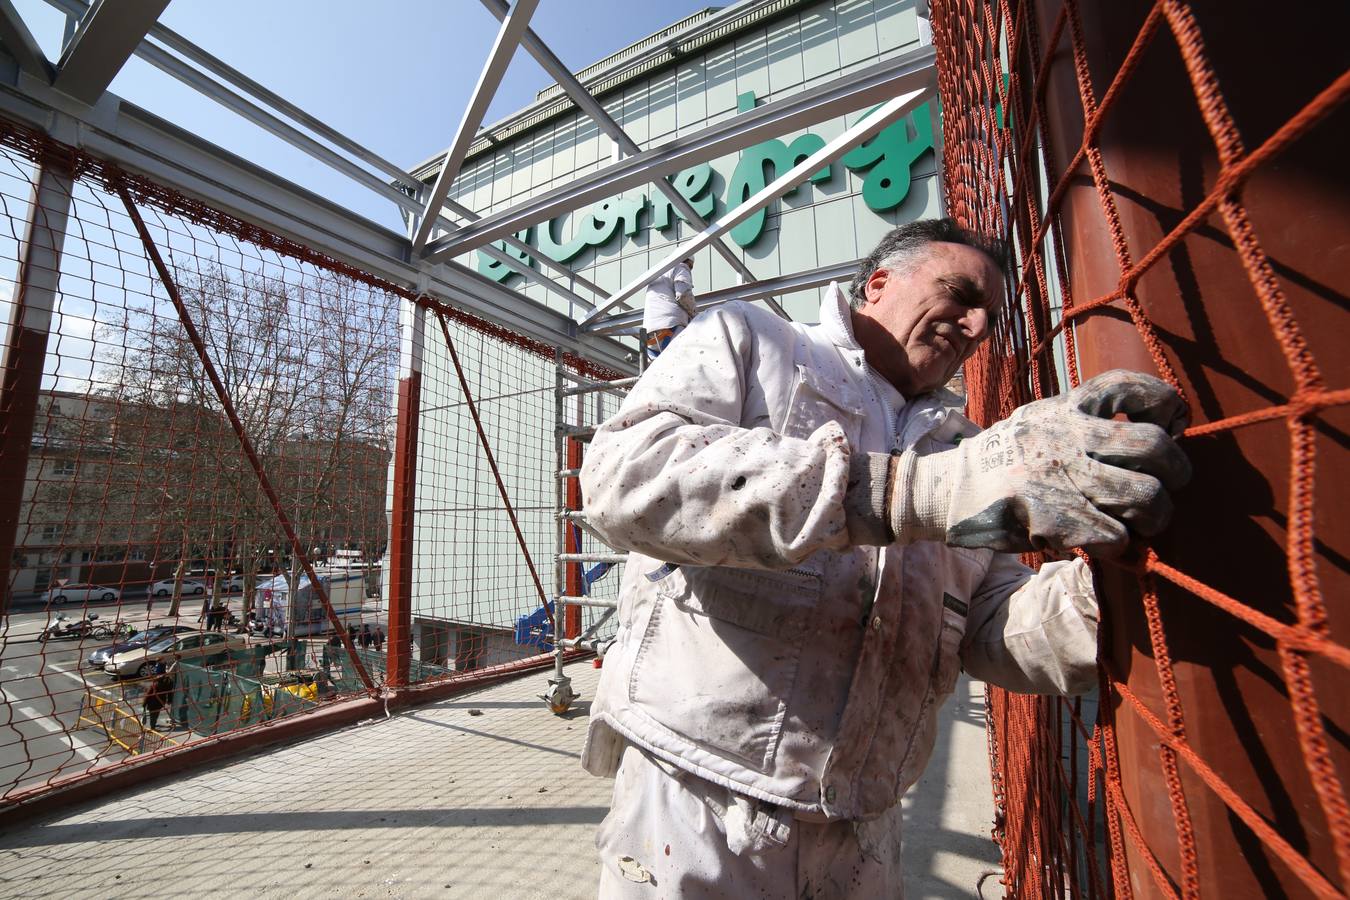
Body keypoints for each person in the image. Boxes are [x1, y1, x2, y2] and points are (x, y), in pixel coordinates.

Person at [578, 219, 1191, 896]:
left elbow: (989, 626)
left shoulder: (968, 448)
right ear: (878, 283)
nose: (977, 326)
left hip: (864, 823)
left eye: (988, 317)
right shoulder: (755, 343)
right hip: (699, 798)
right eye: (959, 293)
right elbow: (621, 479)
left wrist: (1101, 602)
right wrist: (917, 490)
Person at [640, 256, 696, 361]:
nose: (690, 269)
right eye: (691, 266)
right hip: (671, 325)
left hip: (650, 335)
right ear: (687, 261)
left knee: (659, 373)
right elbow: (683, 294)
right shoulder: (681, 267)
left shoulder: (658, 275)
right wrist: (694, 313)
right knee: (684, 363)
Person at [141, 661, 172, 732]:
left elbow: (148, 695)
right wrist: (169, 700)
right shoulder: (168, 683)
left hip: (152, 703)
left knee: (153, 715)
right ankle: (153, 726)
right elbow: (169, 693)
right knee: (155, 715)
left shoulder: (154, 685)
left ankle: (153, 726)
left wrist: (144, 704)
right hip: (160, 703)